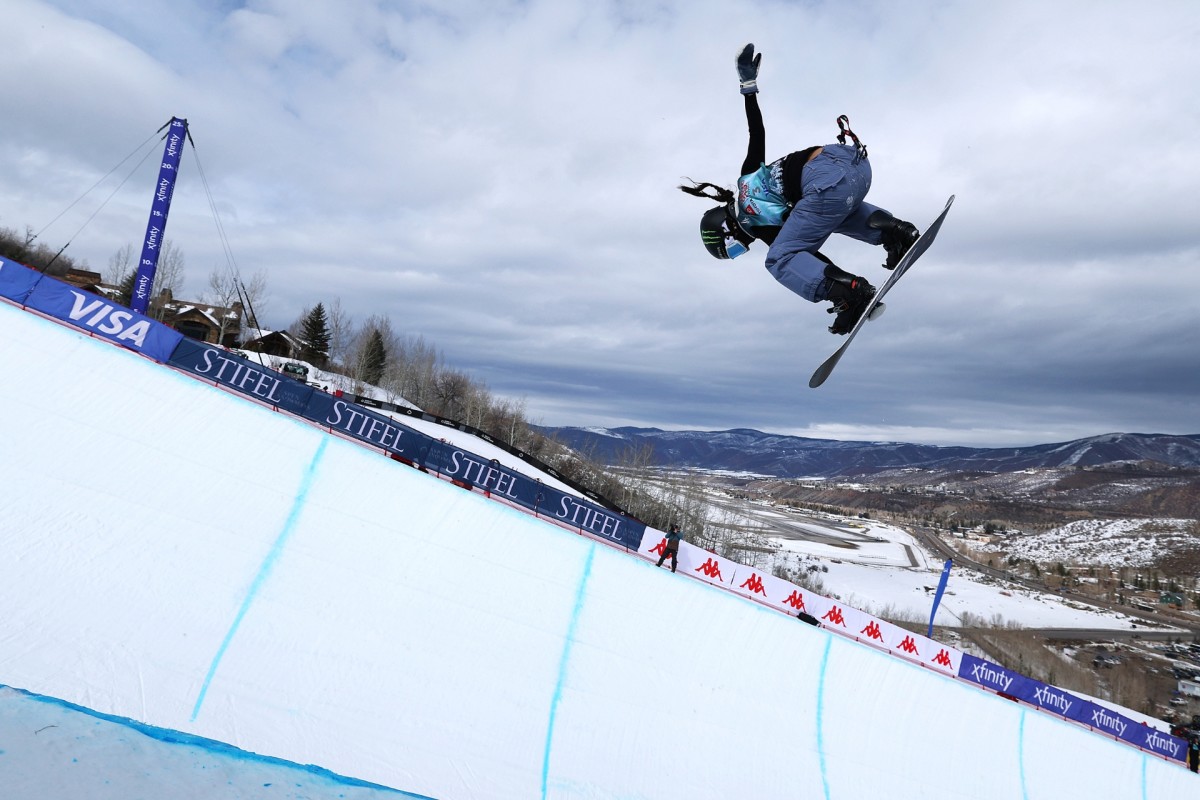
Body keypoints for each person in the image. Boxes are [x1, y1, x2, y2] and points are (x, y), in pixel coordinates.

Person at [680, 43, 921, 335]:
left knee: (778, 259)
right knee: (818, 217)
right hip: (853, 164)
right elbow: (757, 131)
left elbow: (800, 261)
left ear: (727, 228)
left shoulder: (758, 224)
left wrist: (852, 293)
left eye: (732, 248)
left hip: (825, 182)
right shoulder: (748, 178)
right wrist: (748, 85)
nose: (743, 248)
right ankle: (893, 232)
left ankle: (848, 295)